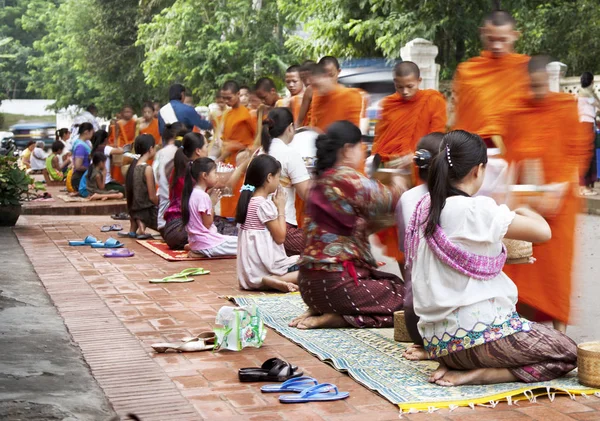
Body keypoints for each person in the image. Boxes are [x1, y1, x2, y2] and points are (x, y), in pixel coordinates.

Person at [405, 130, 577, 386]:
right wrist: (525, 208)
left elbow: (459, 257)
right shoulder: (475, 209)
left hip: (439, 344)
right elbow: (543, 232)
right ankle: (486, 374)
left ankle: (468, 366)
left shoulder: (424, 207)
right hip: (477, 343)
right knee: (568, 351)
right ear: (478, 170)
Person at [502, 56, 591, 334]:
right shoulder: (517, 111)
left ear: (548, 81)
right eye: (532, 85)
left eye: (541, 85)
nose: (537, 90)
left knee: (556, 272)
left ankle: (560, 334)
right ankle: (521, 331)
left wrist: (560, 187)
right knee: (523, 266)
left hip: (559, 204)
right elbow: (511, 155)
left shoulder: (565, 106)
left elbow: (578, 151)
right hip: (527, 200)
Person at [289, 121, 406, 329]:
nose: (362, 153)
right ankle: (340, 318)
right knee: (407, 299)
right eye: (360, 148)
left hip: (309, 289)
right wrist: (399, 179)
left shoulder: (318, 182)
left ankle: (324, 309)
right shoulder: (346, 178)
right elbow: (391, 198)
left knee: (389, 281)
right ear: (346, 150)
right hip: (338, 286)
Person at [372, 61, 448, 264]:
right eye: (399, 86)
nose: (404, 91)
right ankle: (407, 281)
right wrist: (383, 164)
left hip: (423, 174)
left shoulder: (433, 100)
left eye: (410, 86)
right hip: (395, 178)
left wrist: (412, 156)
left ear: (419, 81)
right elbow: (380, 139)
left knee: (425, 230)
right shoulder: (388, 105)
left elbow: (438, 138)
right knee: (398, 231)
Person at [452, 9, 529, 153]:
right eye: (491, 39)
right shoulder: (468, 71)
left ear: (515, 36)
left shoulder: (525, 68)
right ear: (482, 33)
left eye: (502, 40)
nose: (496, 46)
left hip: (515, 148)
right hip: (474, 149)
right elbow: (461, 114)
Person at [394, 133, 444, 353]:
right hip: (444, 326)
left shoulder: (406, 198)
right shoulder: (454, 201)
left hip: (414, 320)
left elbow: (406, 252)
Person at [236, 154, 300, 292]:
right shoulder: (263, 205)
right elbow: (280, 237)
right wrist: (281, 208)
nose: (278, 181)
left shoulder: (248, 201)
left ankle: (267, 280)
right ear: (269, 177)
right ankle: (274, 280)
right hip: (266, 269)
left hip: (249, 274)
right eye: (278, 177)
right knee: (312, 269)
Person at [260, 108, 311, 255]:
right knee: (330, 245)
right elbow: (307, 194)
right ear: (290, 128)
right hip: (282, 228)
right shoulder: (289, 154)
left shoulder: (260, 152)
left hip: (256, 227)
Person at [182, 158, 237, 258]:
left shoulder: (193, 193)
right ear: (204, 175)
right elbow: (207, 224)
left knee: (235, 241)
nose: (217, 176)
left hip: (198, 240)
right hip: (207, 242)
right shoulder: (203, 196)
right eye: (215, 173)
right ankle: (200, 251)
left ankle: (196, 248)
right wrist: (212, 204)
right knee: (242, 245)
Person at [219, 80, 257, 218]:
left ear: (237, 94)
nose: (226, 101)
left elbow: (256, 142)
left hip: (241, 163)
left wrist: (240, 146)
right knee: (226, 196)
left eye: (229, 97)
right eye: (224, 98)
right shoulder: (228, 114)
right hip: (228, 162)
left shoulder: (246, 115)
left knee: (237, 198)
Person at [162, 132, 206, 250]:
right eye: (206, 146)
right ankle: (195, 245)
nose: (208, 150)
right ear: (198, 151)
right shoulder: (194, 173)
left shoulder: (178, 170)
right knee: (226, 230)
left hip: (170, 229)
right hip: (182, 230)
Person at [154, 122, 188, 234]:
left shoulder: (160, 153)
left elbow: (156, 179)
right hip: (176, 225)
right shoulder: (183, 154)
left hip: (162, 222)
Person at [309, 62, 362, 132]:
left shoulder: (350, 95)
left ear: (327, 76)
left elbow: (355, 130)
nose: (317, 89)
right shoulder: (317, 96)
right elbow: (315, 124)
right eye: (314, 86)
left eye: (318, 85)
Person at [125, 134, 158, 238]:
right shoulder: (146, 169)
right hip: (147, 212)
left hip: (135, 211)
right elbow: (152, 197)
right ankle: (142, 224)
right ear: (151, 149)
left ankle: (139, 225)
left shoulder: (133, 167)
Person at [578, 72, 600, 195]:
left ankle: (586, 185)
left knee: (589, 157)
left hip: (588, 124)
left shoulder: (584, 94)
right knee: (585, 156)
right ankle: (583, 187)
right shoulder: (586, 95)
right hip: (585, 126)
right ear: (591, 82)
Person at [90, 130, 125, 194]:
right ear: (106, 139)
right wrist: (117, 146)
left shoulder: (94, 149)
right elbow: (121, 151)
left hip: (95, 182)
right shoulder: (105, 148)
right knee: (125, 190)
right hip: (104, 182)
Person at [70, 122, 95, 193]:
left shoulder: (83, 143)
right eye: (92, 132)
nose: (93, 134)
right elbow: (78, 166)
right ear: (86, 132)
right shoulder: (80, 146)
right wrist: (93, 169)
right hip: (80, 179)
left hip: (83, 178)